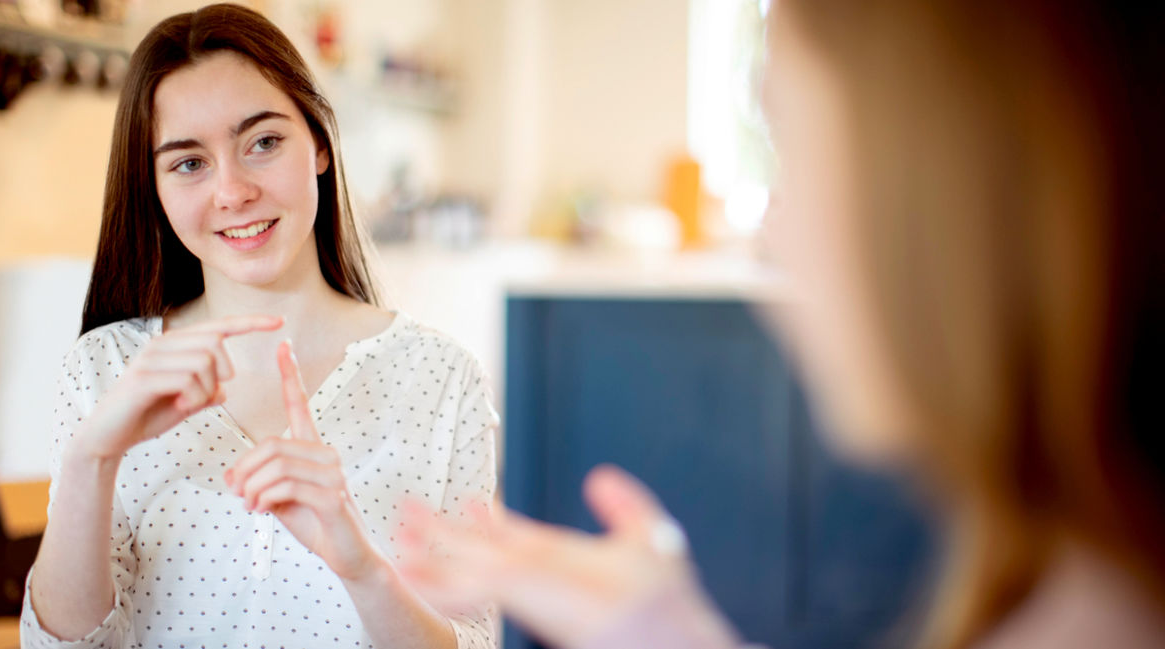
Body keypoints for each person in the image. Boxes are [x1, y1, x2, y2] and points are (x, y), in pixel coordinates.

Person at [398, 1, 1165, 648]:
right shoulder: (1073, 589)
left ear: (957, 176)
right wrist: (666, 629)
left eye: (789, 149)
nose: (772, 232)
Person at [20, 5, 498, 649]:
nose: (234, 191)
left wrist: (361, 566)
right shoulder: (105, 368)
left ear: (320, 144)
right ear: (154, 188)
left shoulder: (442, 380)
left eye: (264, 142)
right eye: (189, 163)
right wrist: (91, 459)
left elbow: (476, 641)